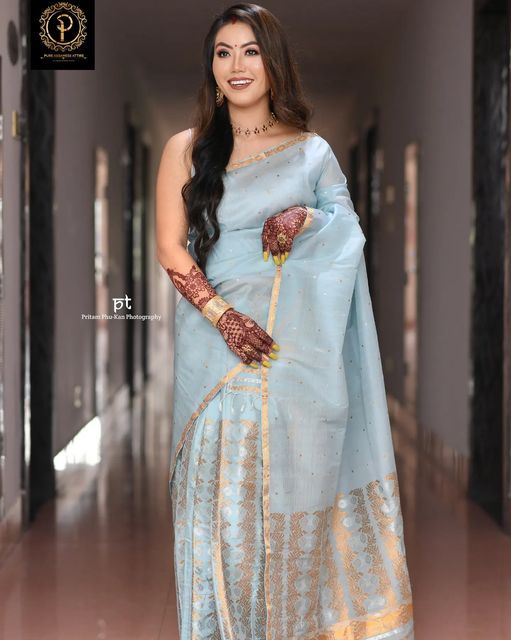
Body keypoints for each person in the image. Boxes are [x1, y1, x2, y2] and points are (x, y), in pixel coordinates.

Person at [155, 3, 415, 639]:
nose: (237, 66)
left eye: (250, 51)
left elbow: (347, 228)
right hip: (217, 362)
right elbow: (171, 247)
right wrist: (225, 319)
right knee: (223, 522)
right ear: (210, 66)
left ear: (274, 63)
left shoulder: (311, 154)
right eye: (223, 52)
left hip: (295, 365)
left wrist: (306, 220)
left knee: (291, 519)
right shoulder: (185, 150)